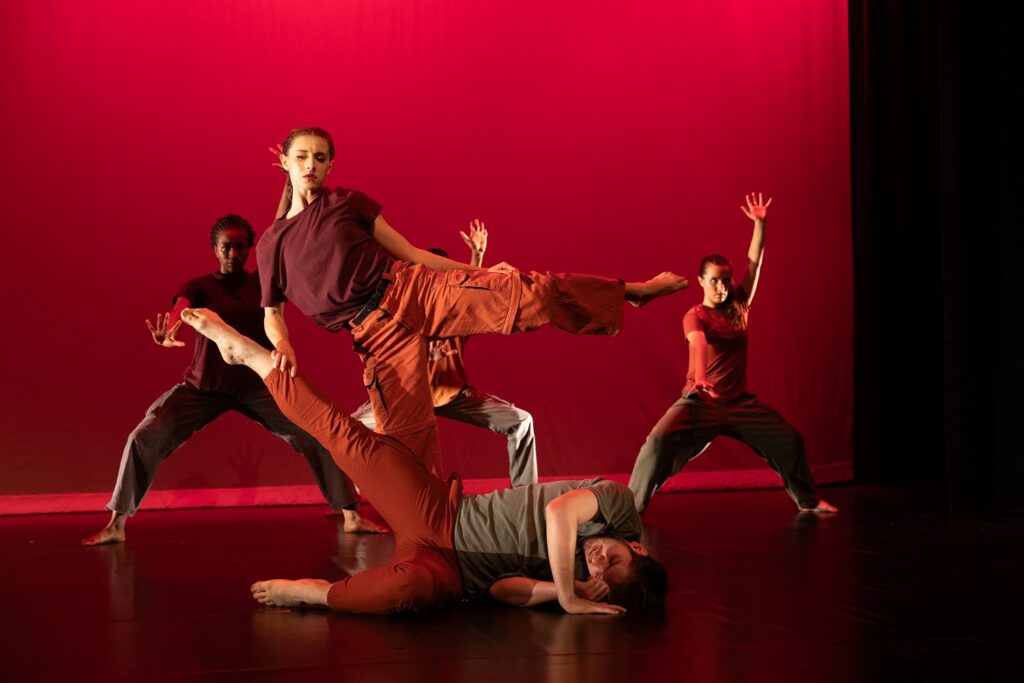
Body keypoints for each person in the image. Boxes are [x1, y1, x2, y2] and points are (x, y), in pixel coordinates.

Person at [257, 126, 688, 480]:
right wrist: (283, 345)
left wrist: (480, 271)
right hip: (374, 335)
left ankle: (631, 291)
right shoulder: (272, 244)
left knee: (530, 292)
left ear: (331, 164)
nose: (310, 165)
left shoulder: (347, 203)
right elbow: (272, 312)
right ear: (285, 164)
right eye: (301, 157)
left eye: (319, 157)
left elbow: (413, 254)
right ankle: (435, 542)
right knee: (408, 445)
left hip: (412, 290)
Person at [180, 307, 669, 615]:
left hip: (451, 573)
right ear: (639, 548)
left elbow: (502, 592)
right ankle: (253, 358)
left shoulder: (579, 577)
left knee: (405, 594)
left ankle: (312, 593)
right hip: (442, 514)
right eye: (615, 558)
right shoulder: (620, 506)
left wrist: (567, 595)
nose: (598, 559)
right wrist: (569, 592)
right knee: (348, 440)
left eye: (602, 572)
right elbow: (560, 512)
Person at [82, 216, 383, 547]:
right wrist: (169, 329)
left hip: (258, 386)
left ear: (249, 249)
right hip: (204, 389)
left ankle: (351, 515)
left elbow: (283, 282)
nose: (233, 253)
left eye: (240, 247)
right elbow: (181, 309)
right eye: (226, 246)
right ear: (215, 249)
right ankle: (116, 523)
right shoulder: (200, 286)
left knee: (317, 432)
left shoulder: (261, 285)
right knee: (144, 437)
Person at [627, 194, 838, 514]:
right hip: (701, 402)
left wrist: (760, 225)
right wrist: (698, 378)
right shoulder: (694, 315)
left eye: (726, 280)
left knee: (790, 440)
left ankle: (807, 501)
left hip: (739, 404)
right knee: (656, 445)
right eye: (714, 281)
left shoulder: (739, 304)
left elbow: (756, 261)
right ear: (701, 281)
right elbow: (696, 344)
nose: (722, 287)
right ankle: (628, 511)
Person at [351, 224, 538, 487]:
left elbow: (473, 292)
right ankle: (352, 503)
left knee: (521, 422)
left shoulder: (455, 312)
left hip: (452, 396)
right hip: (407, 401)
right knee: (347, 431)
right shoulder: (406, 314)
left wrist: (478, 258)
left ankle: (526, 495)